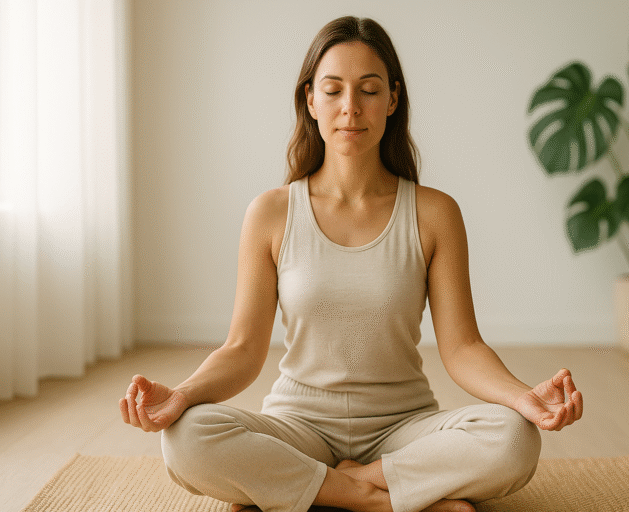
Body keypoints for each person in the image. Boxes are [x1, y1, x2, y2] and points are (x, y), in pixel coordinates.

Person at [119, 16, 583, 512]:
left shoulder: (435, 212)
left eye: (369, 89)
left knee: (515, 437)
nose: (351, 108)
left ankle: (311, 491)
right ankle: (376, 497)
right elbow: (242, 349)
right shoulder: (271, 213)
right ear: (310, 100)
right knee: (185, 436)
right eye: (333, 90)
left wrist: (523, 398)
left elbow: (463, 347)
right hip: (298, 425)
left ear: (393, 100)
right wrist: (182, 396)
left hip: (402, 429)